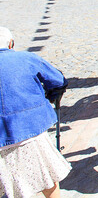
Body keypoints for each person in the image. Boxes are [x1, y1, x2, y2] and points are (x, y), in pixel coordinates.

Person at [0, 27, 70, 198]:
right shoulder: (26, 58)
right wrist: (51, 96)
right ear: (11, 44)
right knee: (47, 177)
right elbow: (58, 81)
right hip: (29, 129)